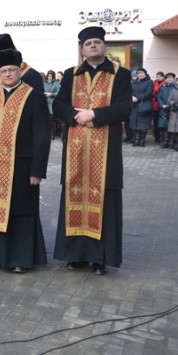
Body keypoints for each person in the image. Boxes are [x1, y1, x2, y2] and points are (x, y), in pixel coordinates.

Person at [52, 27, 131, 275]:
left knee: (105, 203)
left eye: (98, 42)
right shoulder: (71, 74)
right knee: (74, 198)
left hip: (106, 156)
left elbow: (124, 107)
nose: (93, 46)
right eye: (89, 43)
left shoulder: (121, 74)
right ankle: (75, 256)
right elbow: (58, 104)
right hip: (75, 152)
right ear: (82, 49)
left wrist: (94, 114)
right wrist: (77, 116)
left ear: (105, 46)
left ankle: (100, 258)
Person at [0, 48, 51, 273]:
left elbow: (42, 136)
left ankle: (18, 259)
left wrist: (38, 169)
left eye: (12, 70)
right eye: (3, 71)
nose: (7, 74)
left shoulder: (33, 96)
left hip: (22, 167)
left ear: (20, 70)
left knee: (19, 212)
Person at [129, 67, 154, 147]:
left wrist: (138, 98)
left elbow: (149, 92)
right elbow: (129, 91)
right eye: (138, 73)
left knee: (143, 124)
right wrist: (132, 97)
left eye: (141, 73)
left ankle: (142, 140)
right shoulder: (134, 82)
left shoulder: (149, 82)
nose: (140, 75)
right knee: (135, 123)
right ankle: (136, 140)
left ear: (145, 74)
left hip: (144, 105)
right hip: (134, 105)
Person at [156, 73, 176, 149]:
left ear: (173, 78)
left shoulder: (175, 87)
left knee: (170, 126)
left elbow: (175, 97)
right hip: (163, 109)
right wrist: (162, 105)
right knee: (163, 126)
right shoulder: (163, 87)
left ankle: (171, 142)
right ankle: (164, 142)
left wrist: (169, 105)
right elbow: (158, 96)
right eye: (167, 78)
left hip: (171, 108)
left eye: (170, 78)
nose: (169, 79)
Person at [43, 70, 61, 140]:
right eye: (49, 76)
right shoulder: (44, 82)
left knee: (51, 120)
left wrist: (51, 94)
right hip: (44, 102)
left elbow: (59, 92)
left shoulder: (56, 83)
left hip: (52, 103)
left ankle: (52, 134)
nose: (50, 77)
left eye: (51, 76)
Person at [152, 71, 165, 144]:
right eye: (157, 76)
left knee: (162, 121)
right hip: (155, 104)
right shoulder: (154, 83)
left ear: (163, 77)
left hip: (162, 105)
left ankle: (163, 137)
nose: (158, 78)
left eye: (160, 76)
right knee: (155, 121)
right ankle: (157, 137)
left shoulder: (165, 84)